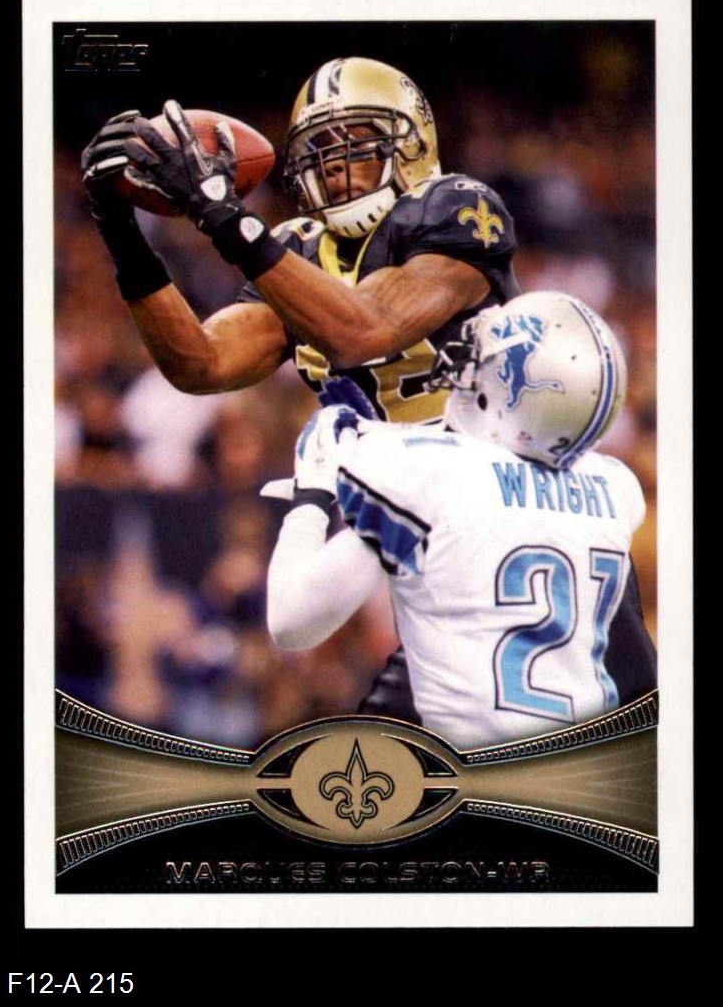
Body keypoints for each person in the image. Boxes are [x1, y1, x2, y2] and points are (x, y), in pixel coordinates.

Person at [80, 56, 521, 718]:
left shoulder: (453, 208)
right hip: (396, 513)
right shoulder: (299, 248)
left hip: (496, 497)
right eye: (320, 149)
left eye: (357, 144)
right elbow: (200, 363)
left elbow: (364, 329)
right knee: (329, 654)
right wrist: (122, 233)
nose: (336, 166)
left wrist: (226, 218)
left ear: (413, 143)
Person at [263, 291, 657, 748]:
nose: (467, 372)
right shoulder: (615, 486)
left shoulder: (418, 475)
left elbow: (291, 623)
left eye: (487, 364)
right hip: (582, 766)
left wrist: (312, 494)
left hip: (476, 770)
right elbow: (488, 476)